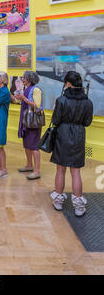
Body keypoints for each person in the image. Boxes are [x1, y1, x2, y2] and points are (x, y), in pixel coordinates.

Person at [50, 71, 93, 217]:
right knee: (76, 171)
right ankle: (79, 207)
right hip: (79, 136)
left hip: (62, 134)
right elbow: (87, 123)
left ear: (68, 83)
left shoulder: (61, 100)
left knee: (60, 169)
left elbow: (55, 121)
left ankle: (58, 202)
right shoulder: (88, 102)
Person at [14, 71, 43, 180]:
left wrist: (24, 99)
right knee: (26, 144)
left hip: (33, 122)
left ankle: (37, 171)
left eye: (24, 78)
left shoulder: (36, 90)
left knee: (34, 146)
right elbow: (23, 102)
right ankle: (29, 165)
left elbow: (37, 106)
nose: (22, 79)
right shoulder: (26, 89)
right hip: (26, 121)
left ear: (30, 79)